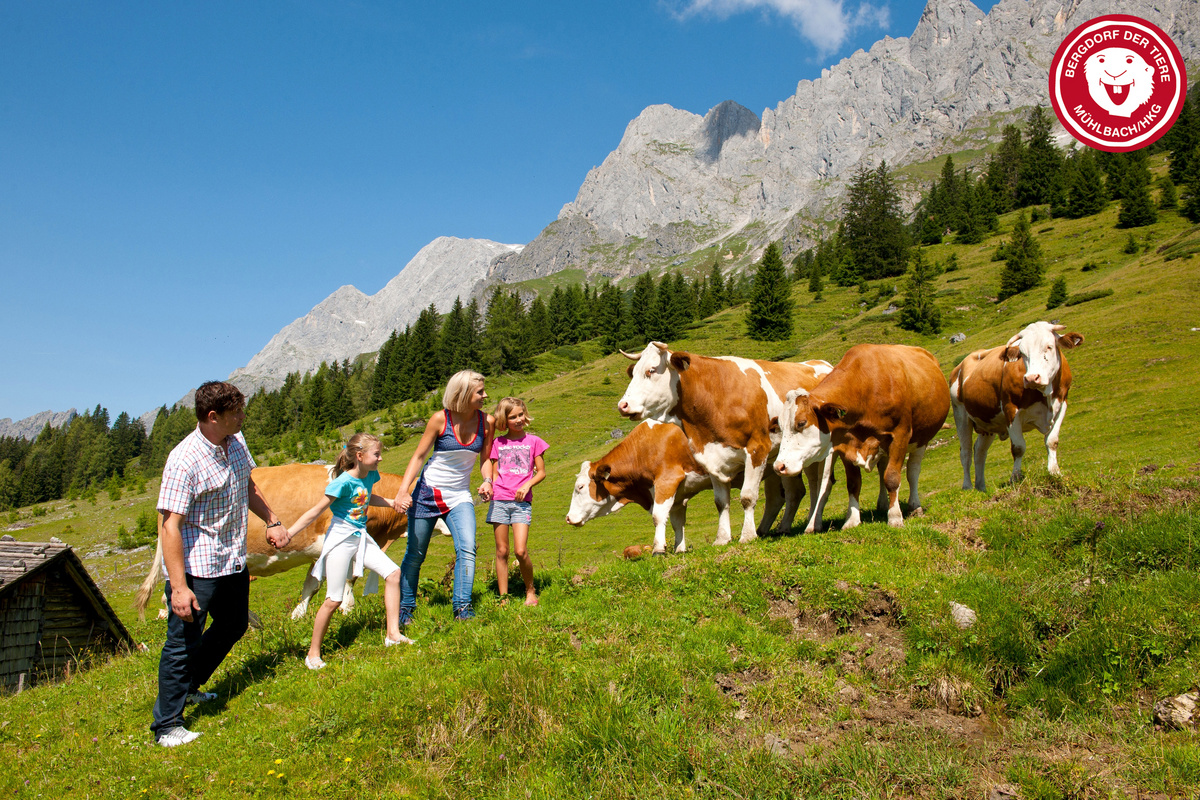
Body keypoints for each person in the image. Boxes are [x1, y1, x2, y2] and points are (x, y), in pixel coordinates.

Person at [151, 381, 286, 748]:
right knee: (181, 643)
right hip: (196, 568)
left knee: (233, 624)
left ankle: (191, 686)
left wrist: (272, 520)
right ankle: (167, 726)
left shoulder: (235, 442)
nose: (243, 417)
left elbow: (248, 486)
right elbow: (170, 527)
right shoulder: (184, 461)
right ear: (213, 417)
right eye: (237, 412)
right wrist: (178, 588)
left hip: (231, 558)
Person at [279, 433, 412, 670]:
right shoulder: (341, 483)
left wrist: (391, 502)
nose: (380, 458)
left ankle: (393, 635)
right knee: (334, 599)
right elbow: (315, 511)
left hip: (360, 537)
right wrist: (289, 533)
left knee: (393, 574)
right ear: (359, 456)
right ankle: (312, 654)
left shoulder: (371, 475)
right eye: (377, 454)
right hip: (341, 539)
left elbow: (367, 496)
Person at [394, 370, 494, 622]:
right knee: (416, 554)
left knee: (467, 548)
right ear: (462, 394)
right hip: (428, 492)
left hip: (459, 495)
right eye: (479, 392)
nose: (485, 395)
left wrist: (487, 480)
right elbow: (418, 456)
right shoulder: (440, 419)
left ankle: (462, 608)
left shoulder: (487, 422)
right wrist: (402, 491)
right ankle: (405, 609)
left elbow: (485, 459)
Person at [485, 397, 547, 606]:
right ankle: (504, 598)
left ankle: (530, 591)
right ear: (504, 420)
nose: (519, 419)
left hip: (522, 502)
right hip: (500, 500)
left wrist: (527, 485)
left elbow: (542, 473)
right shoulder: (498, 443)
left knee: (520, 550)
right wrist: (488, 488)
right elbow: (494, 474)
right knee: (502, 551)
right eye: (513, 417)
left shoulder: (534, 441)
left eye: (521, 414)